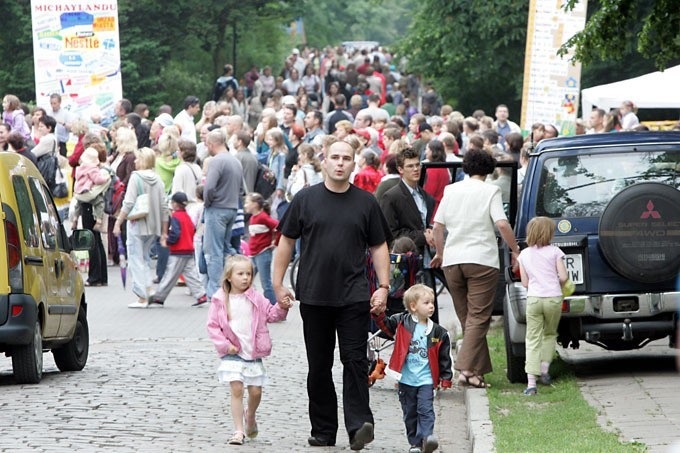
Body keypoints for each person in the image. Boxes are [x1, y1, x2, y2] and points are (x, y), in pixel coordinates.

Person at [272, 140, 392, 451]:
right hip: (313, 296)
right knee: (319, 365)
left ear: (354, 164)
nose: (340, 163)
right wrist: (278, 283)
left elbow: (379, 246)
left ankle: (359, 427)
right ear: (324, 162)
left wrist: (383, 285)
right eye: (335, 158)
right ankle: (323, 430)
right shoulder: (305, 199)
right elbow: (285, 241)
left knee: (354, 362)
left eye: (346, 159)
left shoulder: (366, 203)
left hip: (353, 296)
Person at [430, 149, 520, 389]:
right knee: (479, 318)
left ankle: (476, 372)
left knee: (468, 319)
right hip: (481, 258)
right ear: (489, 168)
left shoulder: (451, 190)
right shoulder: (491, 190)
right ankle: (465, 368)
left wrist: (440, 252)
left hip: (452, 260)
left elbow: (438, 226)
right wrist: (515, 250)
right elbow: (501, 223)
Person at [206, 255, 292, 446]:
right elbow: (212, 326)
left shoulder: (256, 298)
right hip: (232, 352)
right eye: (240, 274)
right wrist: (224, 344)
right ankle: (238, 431)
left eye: (249, 274)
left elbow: (271, 314)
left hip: (252, 353)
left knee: (255, 392)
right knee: (236, 389)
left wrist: (282, 306)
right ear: (229, 276)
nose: (245, 278)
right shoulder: (220, 299)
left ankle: (250, 415)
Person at [372, 284, 452, 453]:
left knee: (426, 409)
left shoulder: (439, 332)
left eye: (432, 302)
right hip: (406, 379)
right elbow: (385, 327)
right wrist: (379, 313)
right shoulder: (401, 322)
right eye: (426, 303)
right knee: (410, 413)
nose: (431, 306)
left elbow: (444, 358)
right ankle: (415, 443)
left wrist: (445, 378)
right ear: (413, 306)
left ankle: (427, 437)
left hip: (426, 380)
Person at [517, 217, 568, 396]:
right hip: (553, 298)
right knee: (549, 334)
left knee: (532, 339)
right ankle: (544, 370)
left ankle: (531, 383)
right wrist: (557, 285)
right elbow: (563, 277)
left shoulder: (523, 255)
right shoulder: (555, 251)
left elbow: (524, 282)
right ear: (549, 233)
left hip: (534, 299)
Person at [113, 147, 170, 308]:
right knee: (144, 257)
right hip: (153, 224)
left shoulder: (136, 177)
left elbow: (129, 202)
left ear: (143, 160)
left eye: (138, 159)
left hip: (137, 222)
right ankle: (149, 288)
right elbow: (164, 206)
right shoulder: (158, 179)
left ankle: (141, 296)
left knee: (135, 258)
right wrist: (164, 230)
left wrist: (118, 222)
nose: (135, 161)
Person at [203, 129, 244, 299]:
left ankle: (216, 291)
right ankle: (239, 275)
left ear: (212, 144)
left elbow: (209, 186)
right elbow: (242, 188)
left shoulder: (216, 161)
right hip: (232, 208)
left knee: (214, 251)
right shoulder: (235, 161)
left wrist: (207, 203)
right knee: (227, 248)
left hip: (217, 209)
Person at [149, 192, 208, 307]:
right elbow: (193, 229)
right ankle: (201, 295)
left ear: (175, 204)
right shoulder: (187, 216)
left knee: (170, 274)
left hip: (178, 251)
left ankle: (159, 297)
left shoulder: (176, 216)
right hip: (188, 249)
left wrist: (168, 242)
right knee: (191, 274)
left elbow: (175, 233)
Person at [244, 193, 279, 305]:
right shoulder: (253, 218)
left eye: (247, 202)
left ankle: (275, 309)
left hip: (262, 253)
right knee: (247, 280)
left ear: (255, 204)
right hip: (253, 254)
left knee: (266, 284)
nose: (245, 205)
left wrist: (275, 243)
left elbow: (278, 227)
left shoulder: (263, 217)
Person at [71, 147, 111, 232]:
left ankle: (75, 219)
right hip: (87, 190)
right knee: (99, 202)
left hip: (79, 190)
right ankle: (99, 221)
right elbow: (97, 180)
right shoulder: (92, 169)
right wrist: (106, 178)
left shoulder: (80, 168)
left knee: (78, 205)